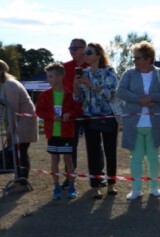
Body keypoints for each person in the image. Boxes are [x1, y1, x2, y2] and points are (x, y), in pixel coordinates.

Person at [117, 41, 160, 200]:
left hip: (154, 124)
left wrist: (152, 98)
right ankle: (136, 190)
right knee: (136, 157)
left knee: (154, 157)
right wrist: (139, 100)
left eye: (137, 58)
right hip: (133, 123)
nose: (134, 61)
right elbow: (120, 92)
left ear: (148, 59)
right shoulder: (128, 73)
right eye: (134, 58)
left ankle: (154, 187)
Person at [73, 42, 119, 199]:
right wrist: (76, 85)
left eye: (89, 52)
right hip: (89, 117)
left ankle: (111, 185)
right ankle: (95, 186)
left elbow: (109, 94)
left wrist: (90, 84)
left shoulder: (109, 71)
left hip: (107, 116)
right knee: (92, 152)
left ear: (98, 55)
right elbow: (78, 98)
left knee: (110, 151)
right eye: (85, 53)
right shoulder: (83, 72)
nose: (85, 55)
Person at [36, 63, 82, 200]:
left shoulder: (69, 94)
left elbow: (78, 110)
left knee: (68, 159)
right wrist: (51, 116)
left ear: (60, 77)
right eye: (48, 76)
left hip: (66, 133)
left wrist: (69, 114)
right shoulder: (44, 94)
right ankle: (56, 186)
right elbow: (39, 110)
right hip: (52, 133)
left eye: (51, 76)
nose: (48, 79)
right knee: (54, 159)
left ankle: (72, 186)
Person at [0, 60, 38, 193]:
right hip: (17, 122)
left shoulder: (10, 85)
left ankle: (23, 183)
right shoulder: (4, 85)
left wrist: (11, 129)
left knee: (20, 151)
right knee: (17, 152)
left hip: (23, 122)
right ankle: (19, 180)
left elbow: (13, 109)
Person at [61, 38, 89, 189]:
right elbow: (61, 92)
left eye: (75, 48)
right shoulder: (64, 67)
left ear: (84, 49)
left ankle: (98, 176)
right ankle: (70, 177)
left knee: (94, 145)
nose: (71, 50)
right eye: (70, 48)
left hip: (91, 112)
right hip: (71, 114)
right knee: (70, 147)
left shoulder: (92, 65)